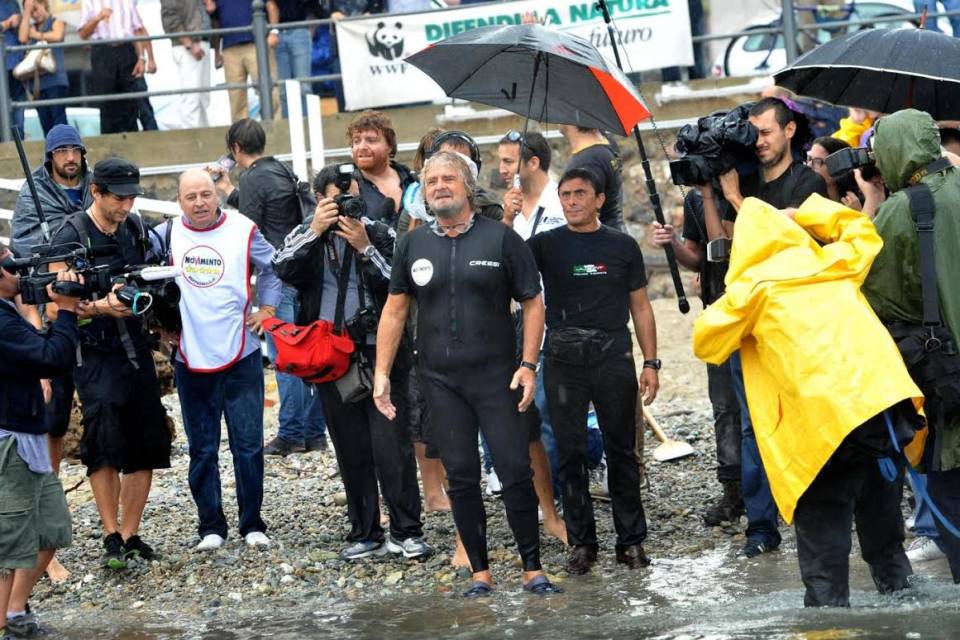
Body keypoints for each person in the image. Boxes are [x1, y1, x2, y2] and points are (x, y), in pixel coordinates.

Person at [694, 192, 923, 608]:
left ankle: (828, 626)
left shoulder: (751, 291)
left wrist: (733, 285)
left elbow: (706, 341)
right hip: (881, 417)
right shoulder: (832, 264)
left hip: (821, 439)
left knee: (825, 568)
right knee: (888, 549)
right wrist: (808, 213)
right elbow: (862, 231)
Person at [374, 152, 561, 596]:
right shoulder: (414, 245)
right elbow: (395, 309)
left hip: (498, 378)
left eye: (448, 179)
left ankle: (532, 569)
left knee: (515, 471)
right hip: (441, 381)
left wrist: (529, 365)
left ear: (468, 187)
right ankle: (481, 573)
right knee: (461, 475)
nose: (439, 186)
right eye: (431, 180)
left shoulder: (501, 239)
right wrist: (382, 373)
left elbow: (534, 302)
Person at [274, 163, 430, 561]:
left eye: (350, 195)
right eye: (333, 198)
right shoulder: (307, 232)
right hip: (331, 356)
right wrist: (314, 230)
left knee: (391, 446)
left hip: (381, 351)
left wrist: (365, 247)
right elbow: (282, 268)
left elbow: (402, 283)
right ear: (319, 199)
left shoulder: (378, 230)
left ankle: (406, 531)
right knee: (351, 447)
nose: (344, 205)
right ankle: (365, 532)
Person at [704, 96, 828, 558]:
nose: (758, 142)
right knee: (753, 426)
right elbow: (726, 245)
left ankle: (815, 511)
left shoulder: (809, 182)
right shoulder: (746, 180)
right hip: (752, 324)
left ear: (789, 131)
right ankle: (761, 526)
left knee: (802, 415)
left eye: (766, 133)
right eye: (752, 134)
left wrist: (739, 199)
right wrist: (710, 195)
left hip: (795, 323)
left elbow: (795, 242)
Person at [529, 167, 659, 575]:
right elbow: (508, 263)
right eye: (565, 195)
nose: (570, 202)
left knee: (622, 451)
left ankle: (631, 542)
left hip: (613, 355)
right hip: (563, 358)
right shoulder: (545, 245)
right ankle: (583, 543)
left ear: (599, 199)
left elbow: (641, 306)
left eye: (580, 194)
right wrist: (508, 215)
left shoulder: (621, 246)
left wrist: (651, 363)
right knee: (569, 453)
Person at [47, 158, 172, 570]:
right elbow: (56, 306)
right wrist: (102, 307)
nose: (126, 205)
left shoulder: (135, 228)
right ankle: (109, 534)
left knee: (148, 438)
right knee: (102, 438)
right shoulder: (70, 235)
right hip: (93, 351)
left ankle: (132, 531)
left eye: (131, 196)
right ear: (96, 191)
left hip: (137, 345)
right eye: (118, 197)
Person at [154, 169, 279, 551]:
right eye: (190, 197)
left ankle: (252, 523)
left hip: (241, 352)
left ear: (216, 195)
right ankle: (211, 526)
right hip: (190, 358)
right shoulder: (164, 235)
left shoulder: (243, 228)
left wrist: (268, 309)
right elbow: (145, 280)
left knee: (248, 444)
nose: (199, 203)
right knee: (202, 449)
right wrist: (159, 326)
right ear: (179, 201)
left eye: (205, 194)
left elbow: (273, 268)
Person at [862, 109, 960, 585]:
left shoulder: (902, 210)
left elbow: (875, 298)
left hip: (949, 380)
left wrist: (873, 207)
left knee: (949, 492)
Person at [213, 118, 327, 455]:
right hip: (304, 271)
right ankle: (314, 431)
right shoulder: (280, 170)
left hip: (277, 278)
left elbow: (247, 231)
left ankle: (291, 432)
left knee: (286, 358)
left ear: (235, 149)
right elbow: (272, 214)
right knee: (311, 353)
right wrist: (228, 190)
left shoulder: (252, 178)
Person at [651, 190, 743, 526]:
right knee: (724, 407)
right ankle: (733, 490)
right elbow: (696, 258)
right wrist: (673, 242)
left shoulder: (743, 185)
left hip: (757, 310)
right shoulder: (694, 199)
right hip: (717, 312)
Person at [0, 244, 78, 639]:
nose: (20, 275)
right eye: (11, 265)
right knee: (8, 546)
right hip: (8, 441)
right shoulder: (2, 321)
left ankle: (15, 615)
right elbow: (53, 358)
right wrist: (65, 308)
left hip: (26, 431)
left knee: (51, 528)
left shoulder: (8, 314)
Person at [496, 129, 567, 543]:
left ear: (533, 163)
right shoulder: (511, 208)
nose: (502, 170)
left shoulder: (564, 199)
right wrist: (506, 218)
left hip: (561, 318)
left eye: (509, 162)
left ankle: (560, 501)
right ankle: (545, 504)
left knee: (557, 418)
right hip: (520, 324)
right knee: (533, 418)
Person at [78, 0, 151, 134]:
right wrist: (98, 18)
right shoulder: (89, 2)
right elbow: (83, 34)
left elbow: (137, 29)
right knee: (107, 102)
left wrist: (142, 57)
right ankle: (110, 145)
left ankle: (133, 139)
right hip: (103, 52)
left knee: (132, 99)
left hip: (126, 49)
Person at [208, 0, 279, 122]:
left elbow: (271, 5)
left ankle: (276, 131)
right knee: (236, 99)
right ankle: (242, 138)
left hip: (257, 44)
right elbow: (216, 20)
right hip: (229, 48)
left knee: (269, 93)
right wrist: (216, 50)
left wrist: (274, 32)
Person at [348, 111, 416, 228]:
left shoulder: (413, 182)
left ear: (389, 146)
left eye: (371, 140)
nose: (362, 147)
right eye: (356, 141)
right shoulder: (347, 188)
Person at [557, 124, 625, 230]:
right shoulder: (605, 142)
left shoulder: (588, 161)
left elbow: (585, 217)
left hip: (600, 241)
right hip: (614, 232)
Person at [16, 0, 68, 135]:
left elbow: (57, 35)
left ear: (44, 4)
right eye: (32, 11)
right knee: (46, 125)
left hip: (55, 80)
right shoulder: (31, 27)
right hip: (38, 84)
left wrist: (37, 35)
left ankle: (65, 151)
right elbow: (22, 38)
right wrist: (26, 13)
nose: (35, 14)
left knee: (59, 121)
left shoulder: (56, 21)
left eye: (36, 8)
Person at [160, 0, 212, 129]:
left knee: (202, 98)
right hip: (188, 45)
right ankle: (193, 141)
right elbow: (170, 18)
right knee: (192, 98)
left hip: (201, 41)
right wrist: (189, 44)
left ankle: (204, 139)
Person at [267, 0, 318, 118]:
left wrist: (309, 31)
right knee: (283, 90)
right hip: (277, 34)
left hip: (299, 30)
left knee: (304, 87)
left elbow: (314, 7)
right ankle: (287, 128)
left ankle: (307, 123)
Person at [0, 0, 25, 136]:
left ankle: (19, 141)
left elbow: (22, 35)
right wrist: (8, 23)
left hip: (15, 63)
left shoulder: (13, 3)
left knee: (18, 106)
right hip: (3, 64)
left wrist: (20, 20)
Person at [805, 136, 851, 203]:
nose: (808, 165)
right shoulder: (800, 203)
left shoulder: (856, 202)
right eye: (809, 158)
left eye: (817, 162)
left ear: (839, 169)